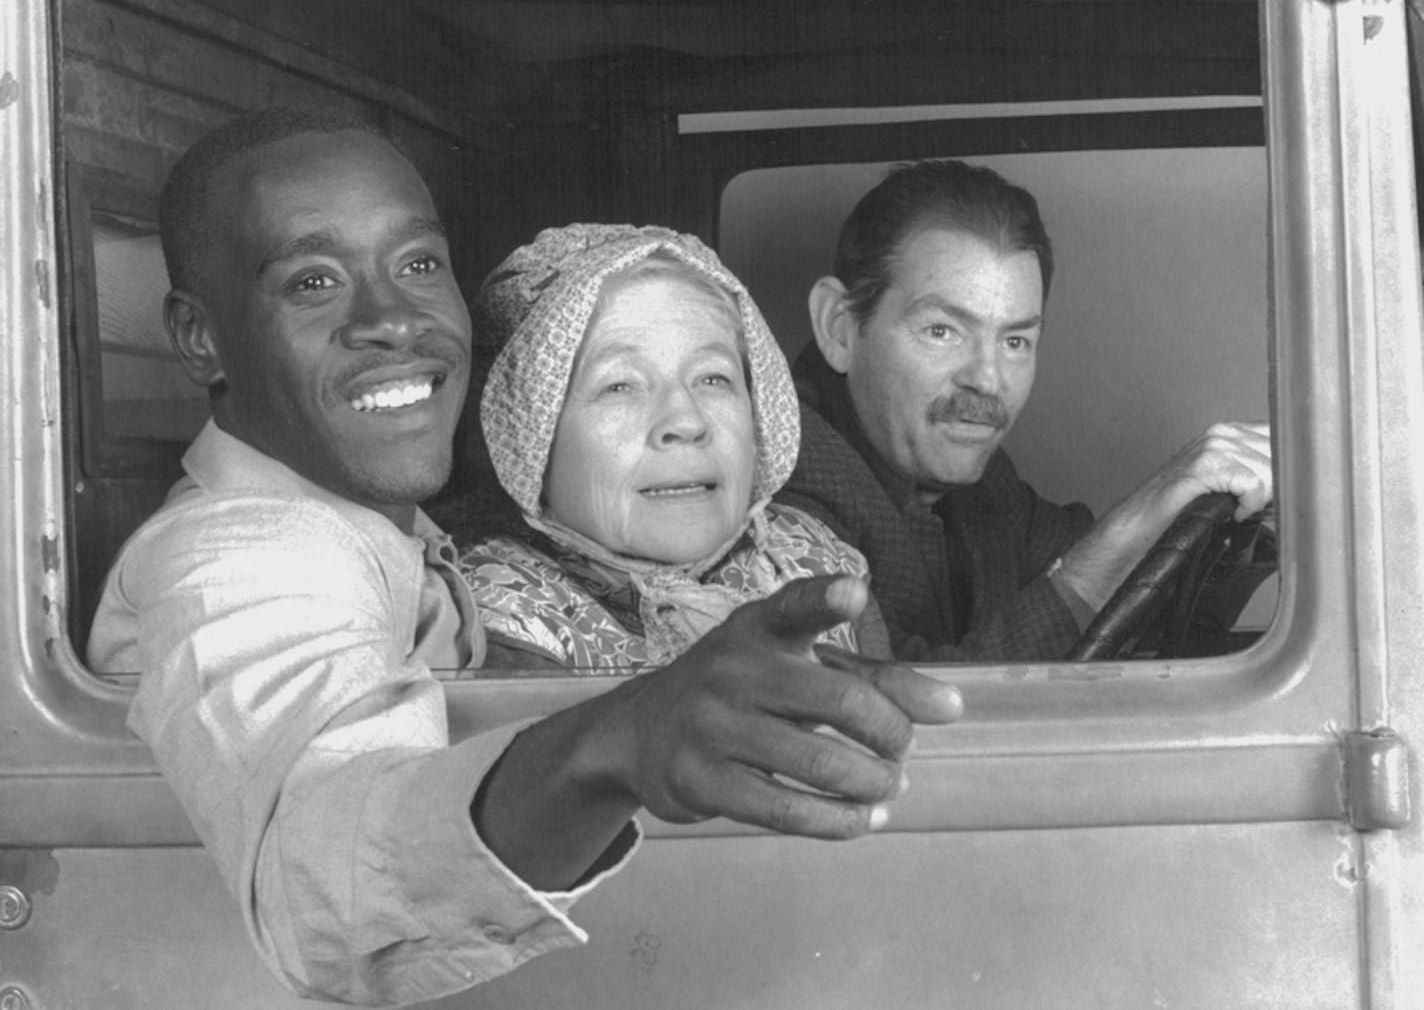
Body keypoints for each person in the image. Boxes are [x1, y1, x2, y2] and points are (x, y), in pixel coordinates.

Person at [85, 108, 963, 1007]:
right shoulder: (233, 553)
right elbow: (321, 877)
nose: (392, 319)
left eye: (419, 264)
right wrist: (614, 740)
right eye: (313, 281)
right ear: (200, 338)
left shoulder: (370, 525)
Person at [778, 158, 1274, 662]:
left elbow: (1150, 614)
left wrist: (1253, 510)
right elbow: (901, 709)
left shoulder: (984, 488)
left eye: (1015, 340)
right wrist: (1139, 519)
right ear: (839, 327)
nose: (988, 380)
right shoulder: (781, 494)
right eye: (942, 331)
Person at [453, 222, 889, 669]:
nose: (686, 421)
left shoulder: (814, 557)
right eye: (619, 386)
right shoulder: (498, 616)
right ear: (529, 438)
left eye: (713, 378)